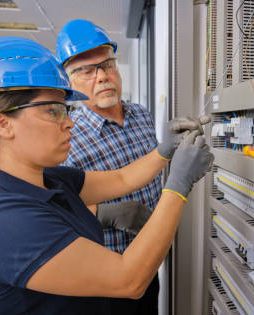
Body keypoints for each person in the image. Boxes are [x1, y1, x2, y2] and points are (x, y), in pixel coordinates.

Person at [0, 36, 213, 315]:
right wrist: (178, 185)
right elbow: (129, 279)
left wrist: (165, 150)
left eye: (65, 110)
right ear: (2, 124)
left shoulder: (49, 179)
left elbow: (122, 179)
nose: (69, 123)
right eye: (54, 111)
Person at [55, 19, 210, 313]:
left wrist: (171, 149)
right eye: (86, 71)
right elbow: (53, 206)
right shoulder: (65, 137)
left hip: (149, 260)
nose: (101, 77)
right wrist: (105, 213)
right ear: (69, 83)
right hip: (105, 276)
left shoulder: (141, 115)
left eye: (107, 65)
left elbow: (139, 171)